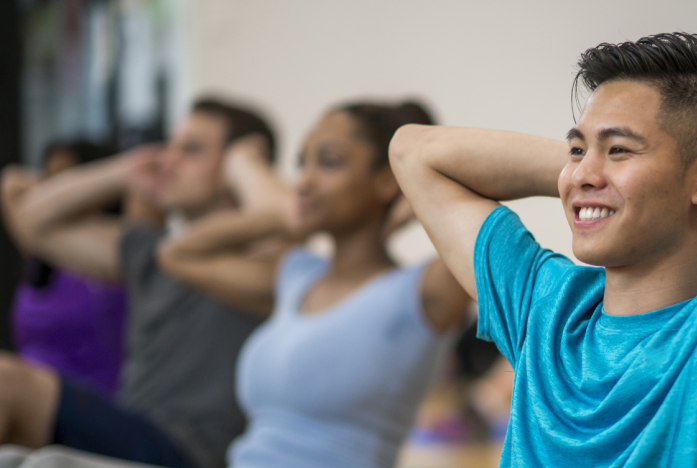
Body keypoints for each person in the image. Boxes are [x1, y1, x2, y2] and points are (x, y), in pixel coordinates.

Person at [389, 32, 697, 466]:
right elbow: (413, 151)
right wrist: (590, 173)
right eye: (577, 149)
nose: (583, 171)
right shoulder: (546, 308)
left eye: (620, 150)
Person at [155, 101, 472, 468]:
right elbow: (177, 254)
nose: (304, 181)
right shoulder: (296, 275)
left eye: (329, 162)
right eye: (301, 164)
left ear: (387, 180)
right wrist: (284, 216)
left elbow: (474, 185)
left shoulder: (421, 292)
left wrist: (416, 192)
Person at [0, 98, 277, 468]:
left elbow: (282, 219)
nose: (169, 159)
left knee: (7, 382)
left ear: (234, 165)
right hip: (135, 430)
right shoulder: (155, 252)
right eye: (170, 146)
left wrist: (247, 164)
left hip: (191, 453)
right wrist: (124, 170)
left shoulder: (266, 260)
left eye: (191, 149)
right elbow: (33, 223)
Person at [1, 141, 159, 397]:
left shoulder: (118, 252)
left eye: (68, 179)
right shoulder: (40, 248)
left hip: (89, 407)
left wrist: (111, 176)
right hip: (27, 401)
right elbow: (11, 181)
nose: (57, 189)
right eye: (50, 178)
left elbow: (144, 192)